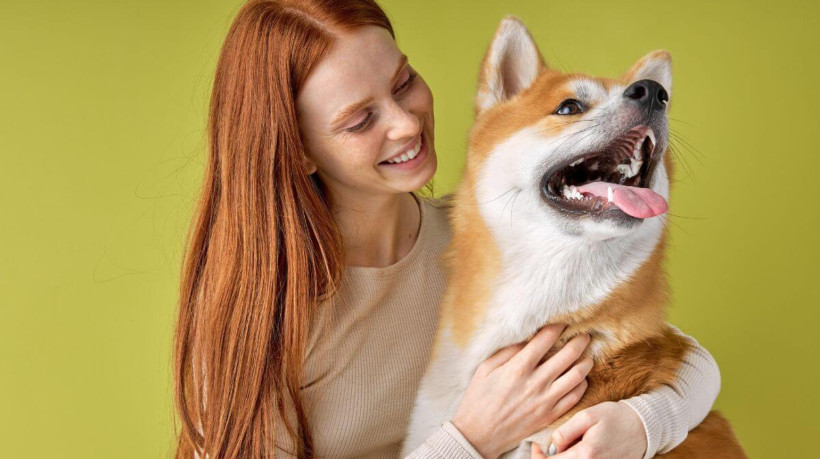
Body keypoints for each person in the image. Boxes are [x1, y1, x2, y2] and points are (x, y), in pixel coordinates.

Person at [171, 1, 721, 458]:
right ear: (297, 151)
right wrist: (471, 440)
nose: (407, 122)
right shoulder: (259, 316)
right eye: (361, 120)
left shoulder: (490, 234)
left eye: (403, 82)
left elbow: (684, 361)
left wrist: (646, 422)